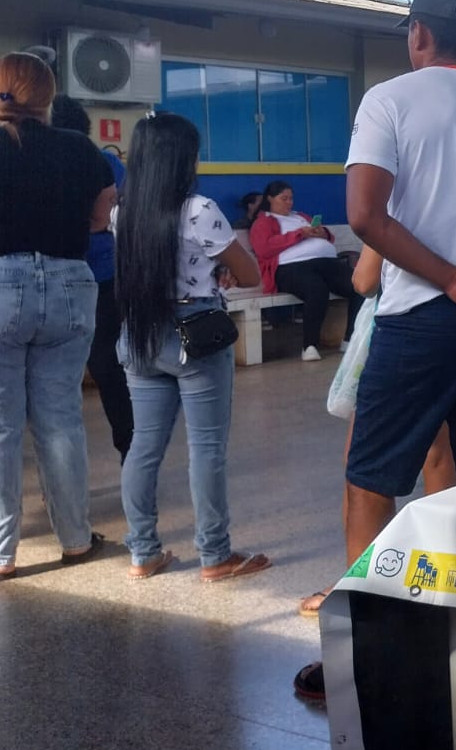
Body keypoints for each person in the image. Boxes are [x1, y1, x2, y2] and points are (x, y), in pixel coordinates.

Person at [295, 0, 456, 702]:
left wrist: (447, 278)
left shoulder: (389, 100)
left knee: (370, 479)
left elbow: (365, 215)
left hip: (422, 320)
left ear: (419, 34)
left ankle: (369, 650)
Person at [0, 54, 115, 578]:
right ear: (48, 98)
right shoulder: (81, 150)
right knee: (61, 422)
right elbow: (101, 217)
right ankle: (75, 539)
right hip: (71, 287)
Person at [113, 112, 268, 582]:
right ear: (183, 158)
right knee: (206, 448)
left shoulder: (123, 212)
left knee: (143, 447)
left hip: (140, 333)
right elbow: (250, 275)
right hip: (195, 335)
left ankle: (143, 553)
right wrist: (216, 270)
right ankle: (215, 556)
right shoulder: (199, 209)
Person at [297, 243, 456, 619]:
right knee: (439, 450)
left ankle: (363, 582)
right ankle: (446, 575)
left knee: (364, 463)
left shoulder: (393, 195)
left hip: (403, 329)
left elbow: (365, 279)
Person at [50, 95, 134, 462]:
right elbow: (121, 214)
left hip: (57, 275)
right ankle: (130, 451)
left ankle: (60, 468)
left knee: (52, 375)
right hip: (105, 274)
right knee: (108, 365)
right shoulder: (108, 161)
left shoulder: (43, 162)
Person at [249, 180, 363, 361]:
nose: (289, 202)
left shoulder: (300, 216)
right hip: (290, 268)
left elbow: (329, 237)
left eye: (291, 199)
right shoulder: (263, 222)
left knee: (360, 285)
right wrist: (299, 234)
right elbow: (264, 248)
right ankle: (309, 345)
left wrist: (322, 233)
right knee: (316, 290)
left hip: (325, 263)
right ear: (270, 199)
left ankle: (350, 339)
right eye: (284, 198)